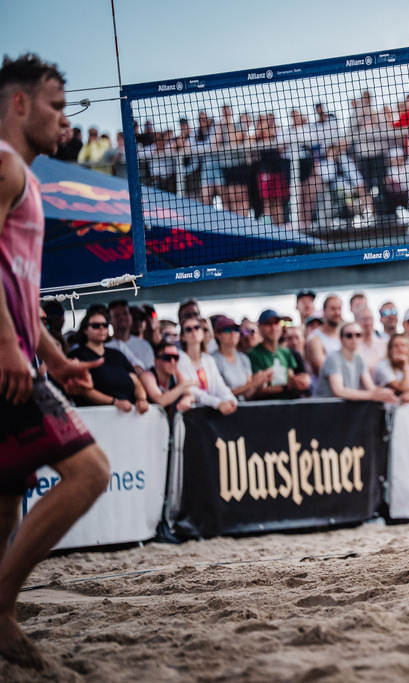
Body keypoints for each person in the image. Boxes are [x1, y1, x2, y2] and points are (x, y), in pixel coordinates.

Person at [0, 53, 111, 668]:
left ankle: (3, 616)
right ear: (19, 104)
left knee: (6, 495)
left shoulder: (28, 177)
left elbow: (17, 287)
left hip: (19, 355)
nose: (65, 120)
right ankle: (1, 609)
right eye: (56, 105)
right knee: (91, 472)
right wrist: (8, 347)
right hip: (3, 361)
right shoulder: (5, 166)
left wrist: (49, 354)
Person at [68, 309, 150, 412]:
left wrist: (141, 399)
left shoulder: (117, 354)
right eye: (96, 326)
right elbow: (83, 389)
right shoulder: (77, 355)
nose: (101, 328)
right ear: (85, 329)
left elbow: (136, 382)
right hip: (96, 417)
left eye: (105, 325)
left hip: (129, 416)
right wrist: (114, 402)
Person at [316, 321, 399, 403]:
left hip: (341, 410)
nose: (354, 338)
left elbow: (370, 387)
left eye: (358, 335)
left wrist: (386, 394)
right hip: (323, 410)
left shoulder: (359, 358)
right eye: (349, 335)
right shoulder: (333, 358)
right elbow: (339, 391)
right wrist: (372, 395)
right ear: (341, 339)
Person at [177, 314, 237, 415]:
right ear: (182, 337)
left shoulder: (208, 360)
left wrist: (230, 400)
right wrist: (217, 403)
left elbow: (220, 386)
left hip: (211, 414)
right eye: (188, 329)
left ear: (203, 332)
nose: (193, 331)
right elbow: (192, 391)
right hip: (191, 415)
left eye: (197, 327)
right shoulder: (178, 359)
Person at [248, 309, 311, 400]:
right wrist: (286, 387)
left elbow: (290, 378)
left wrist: (301, 381)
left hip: (287, 406)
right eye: (268, 324)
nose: (273, 327)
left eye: (276, 323)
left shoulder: (286, 352)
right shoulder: (253, 354)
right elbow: (255, 391)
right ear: (260, 328)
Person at [211, 317, 272, 401]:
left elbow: (248, 394)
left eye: (236, 329)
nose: (233, 333)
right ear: (217, 334)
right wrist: (251, 385)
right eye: (227, 330)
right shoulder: (211, 360)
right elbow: (217, 393)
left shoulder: (244, 358)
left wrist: (260, 383)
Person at [139, 341, 196, 412]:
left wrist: (187, 399)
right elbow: (161, 401)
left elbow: (191, 395)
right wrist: (183, 386)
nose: (172, 362)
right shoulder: (147, 376)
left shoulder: (177, 374)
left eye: (176, 357)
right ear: (156, 361)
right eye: (167, 358)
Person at [374, 333, 409, 403]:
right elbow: (404, 388)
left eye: (404, 345)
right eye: (396, 346)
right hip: (389, 409)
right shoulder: (383, 366)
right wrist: (405, 365)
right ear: (390, 350)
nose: (400, 349)